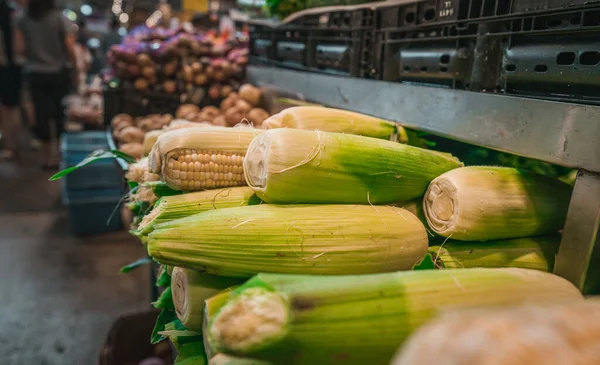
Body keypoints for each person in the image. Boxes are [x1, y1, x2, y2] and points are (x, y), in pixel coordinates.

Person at [14, 0, 76, 168]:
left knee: (41, 116)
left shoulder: (22, 19)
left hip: (35, 74)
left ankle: (49, 158)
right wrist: (74, 67)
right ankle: (63, 156)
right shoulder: (59, 18)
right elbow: (70, 48)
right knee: (60, 114)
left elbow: (19, 49)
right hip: (58, 73)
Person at [0, 0, 22, 160]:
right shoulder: (15, 14)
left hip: (8, 68)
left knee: (9, 108)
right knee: (12, 107)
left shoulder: (11, 15)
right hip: (12, 67)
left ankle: (10, 144)